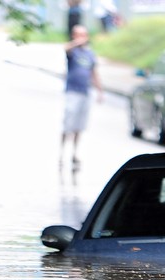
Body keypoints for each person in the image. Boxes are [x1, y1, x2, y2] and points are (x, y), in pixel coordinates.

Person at [61, 24, 103, 171]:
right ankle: (62, 154)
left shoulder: (90, 54)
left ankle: (74, 153)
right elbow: (65, 49)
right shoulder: (72, 52)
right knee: (68, 124)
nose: (81, 38)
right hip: (72, 92)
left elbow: (94, 73)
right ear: (73, 36)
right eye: (77, 34)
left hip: (85, 93)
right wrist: (75, 43)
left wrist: (100, 91)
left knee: (79, 126)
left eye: (83, 35)